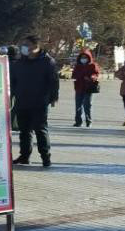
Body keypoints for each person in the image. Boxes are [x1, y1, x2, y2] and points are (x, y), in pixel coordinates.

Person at [10, 36, 59, 167]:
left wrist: (53, 97)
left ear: (36, 46)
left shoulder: (47, 62)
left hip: (39, 102)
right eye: (23, 44)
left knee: (40, 130)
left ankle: (45, 157)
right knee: (24, 131)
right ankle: (24, 156)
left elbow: (54, 81)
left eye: (26, 44)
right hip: (22, 101)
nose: (23, 47)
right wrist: (11, 95)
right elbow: (13, 81)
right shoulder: (19, 62)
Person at [71, 49, 100, 127]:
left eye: (85, 57)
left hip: (88, 88)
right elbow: (74, 75)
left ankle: (88, 121)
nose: (83, 59)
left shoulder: (93, 65)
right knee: (78, 105)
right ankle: (78, 121)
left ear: (89, 57)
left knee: (87, 105)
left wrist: (91, 77)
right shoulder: (78, 66)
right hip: (79, 87)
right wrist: (79, 76)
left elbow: (96, 74)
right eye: (82, 57)